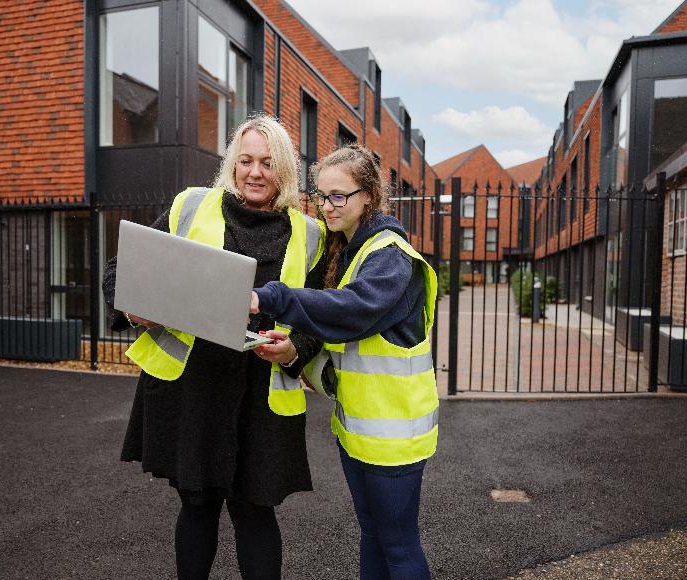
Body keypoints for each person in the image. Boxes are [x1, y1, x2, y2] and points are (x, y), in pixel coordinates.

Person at [102, 113, 325, 580]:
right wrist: (134, 305)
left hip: (261, 397)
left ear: (284, 168)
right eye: (245, 160)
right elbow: (124, 269)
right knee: (198, 506)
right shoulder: (191, 207)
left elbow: (320, 314)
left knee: (254, 512)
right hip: (194, 390)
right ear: (232, 163)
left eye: (267, 162)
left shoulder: (310, 234)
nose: (255, 172)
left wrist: (295, 349)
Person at [251, 144, 439, 579]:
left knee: (398, 544)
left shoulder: (389, 256)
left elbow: (350, 310)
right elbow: (327, 328)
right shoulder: (351, 249)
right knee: (375, 535)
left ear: (368, 196)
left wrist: (273, 296)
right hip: (362, 430)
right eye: (321, 196)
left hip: (394, 437)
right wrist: (294, 350)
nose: (327, 206)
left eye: (339, 196)